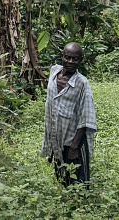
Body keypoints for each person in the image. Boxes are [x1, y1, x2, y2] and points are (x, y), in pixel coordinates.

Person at [41, 42, 96, 187]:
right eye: (68, 57)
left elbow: (86, 116)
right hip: (57, 136)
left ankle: (81, 206)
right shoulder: (54, 72)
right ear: (63, 57)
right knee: (61, 176)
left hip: (73, 139)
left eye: (75, 59)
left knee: (79, 179)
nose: (71, 62)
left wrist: (74, 147)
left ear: (80, 60)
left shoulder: (82, 83)